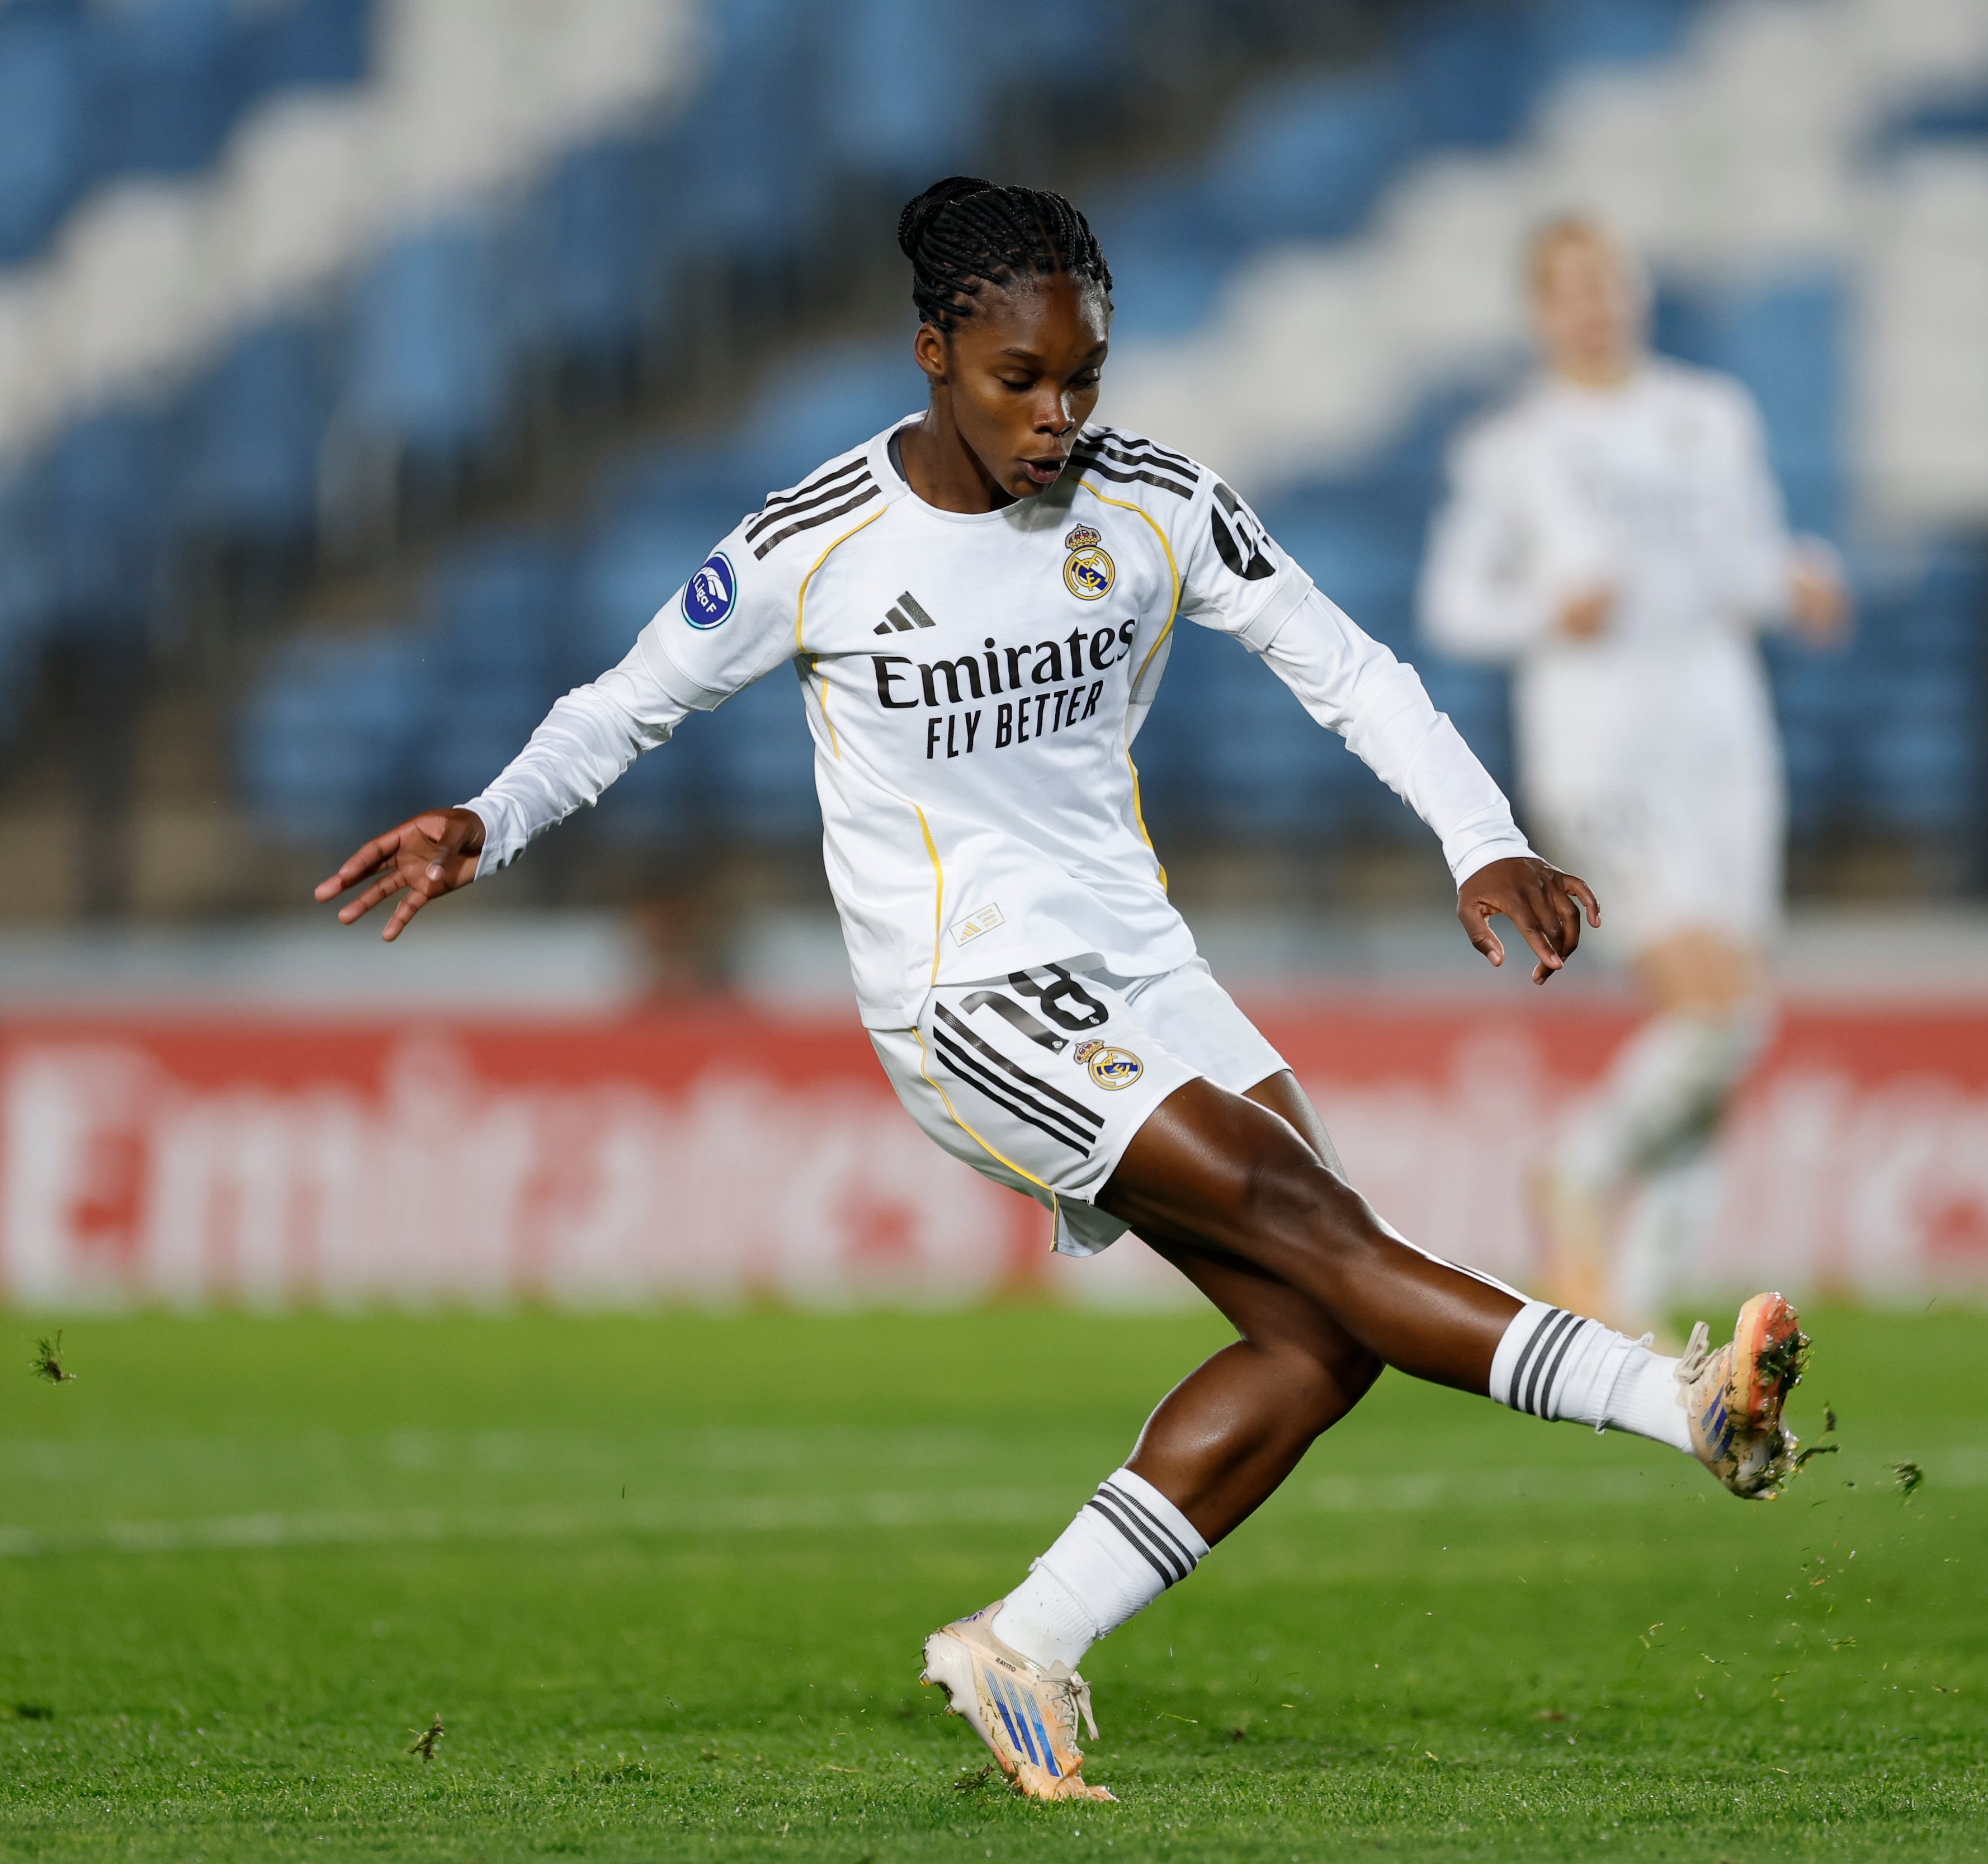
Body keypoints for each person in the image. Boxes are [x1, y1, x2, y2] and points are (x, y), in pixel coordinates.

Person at [314, 178, 1812, 1802]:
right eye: (1019, 380)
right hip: (966, 997)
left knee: (1319, 1336)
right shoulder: (816, 543)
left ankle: (1025, 1640)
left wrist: (1482, 840)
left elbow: (1349, 665)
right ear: (933, 355)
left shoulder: (1158, 499)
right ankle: (1682, 1405)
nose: (1059, 415)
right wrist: (491, 817)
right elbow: (624, 707)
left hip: (1145, 966)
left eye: (1084, 376)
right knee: (1324, 1235)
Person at [1419, 216, 1849, 1333]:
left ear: (1638, 290)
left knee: (1734, 1022)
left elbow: (1745, 556)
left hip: (1722, 737)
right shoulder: (1513, 444)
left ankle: (1645, 1314)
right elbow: (1453, 605)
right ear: (1538, 308)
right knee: (1713, 1005)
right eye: (1569, 287)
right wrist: (1542, 610)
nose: (1594, 303)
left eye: (1608, 281)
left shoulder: (1710, 415)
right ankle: (1573, 1167)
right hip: (1599, 746)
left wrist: (1797, 577)